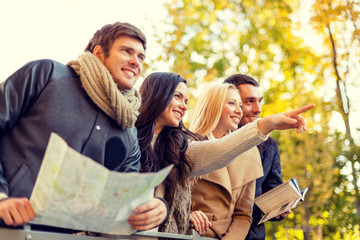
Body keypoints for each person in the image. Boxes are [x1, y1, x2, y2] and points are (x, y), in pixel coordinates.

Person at [0, 22, 167, 232]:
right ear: (98, 53)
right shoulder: (47, 74)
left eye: (141, 57)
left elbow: (125, 199)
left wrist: (157, 208)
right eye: (127, 51)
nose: (136, 62)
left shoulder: (129, 129)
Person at [135, 72, 314, 235]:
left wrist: (268, 124)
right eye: (177, 97)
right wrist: (185, 213)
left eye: (186, 101)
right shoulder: (131, 139)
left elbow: (223, 150)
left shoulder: (178, 147)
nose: (183, 106)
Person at [189, 83, 264, 239]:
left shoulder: (249, 152)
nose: (239, 110)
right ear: (213, 106)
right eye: (231, 103)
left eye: (240, 105)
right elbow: (170, 199)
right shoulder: (186, 145)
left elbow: (243, 215)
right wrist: (187, 213)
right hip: (191, 233)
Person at [224, 74, 290, 240]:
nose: (258, 109)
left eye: (259, 101)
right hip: (213, 233)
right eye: (249, 101)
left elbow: (272, 188)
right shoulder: (208, 142)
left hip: (252, 235)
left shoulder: (269, 146)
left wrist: (278, 207)